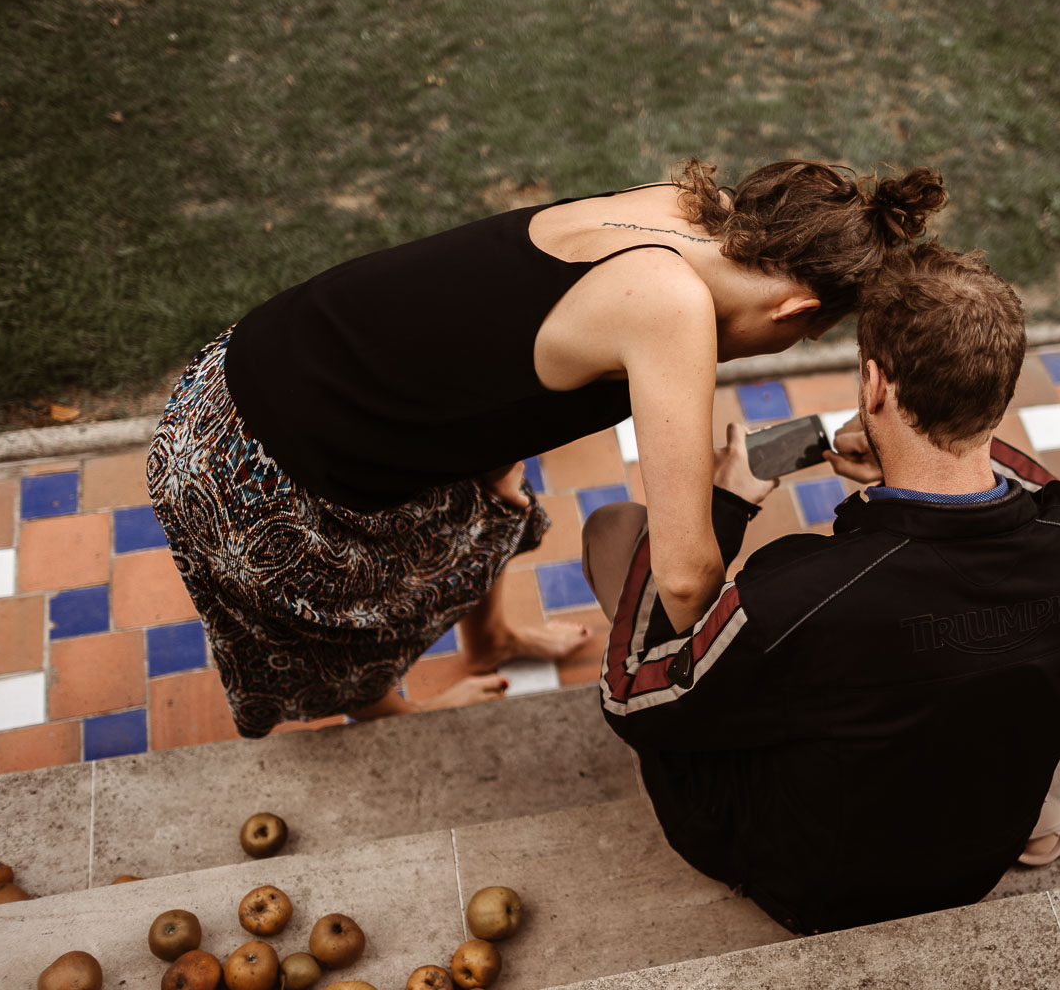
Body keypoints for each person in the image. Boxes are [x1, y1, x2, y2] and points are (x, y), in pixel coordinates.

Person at [146, 159, 947, 738]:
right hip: (256, 464)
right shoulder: (672, 307)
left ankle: (488, 642)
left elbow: (494, 315)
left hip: (253, 365)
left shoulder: (683, 210)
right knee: (356, 619)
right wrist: (755, 694)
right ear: (796, 307)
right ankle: (389, 715)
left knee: (497, 498)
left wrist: (496, 460)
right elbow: (685, 574)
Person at [581, 242, 1060, 934]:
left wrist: (724, 504)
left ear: (874, 385)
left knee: (616, 532)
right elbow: (1046, 494)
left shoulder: (793, 599)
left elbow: (629, 698)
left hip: (815, 887)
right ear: (1000, 392)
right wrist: (913, 456)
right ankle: (1034, 809)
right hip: (977, 855)